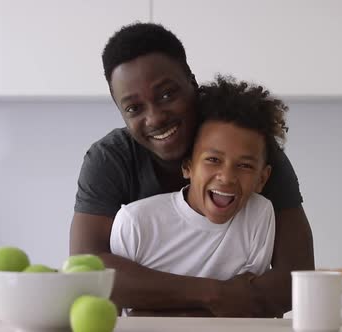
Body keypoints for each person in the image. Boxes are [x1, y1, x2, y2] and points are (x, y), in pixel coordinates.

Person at [70, 22, 314, 317]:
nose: (155, 117)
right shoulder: (111, 159)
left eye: (166, 95)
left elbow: (297, 280)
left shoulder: (250, 149)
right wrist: (212, 294)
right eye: (134, 109)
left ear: (192, 83)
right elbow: (88, 270)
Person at [110, 76, 284, 288]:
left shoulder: (259, 214)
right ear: (187, 167)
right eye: (213, 160)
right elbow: (119, 307)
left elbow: (247, 304)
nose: (227, 177)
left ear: (262, 179)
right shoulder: (135, 222)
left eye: (245, 166)